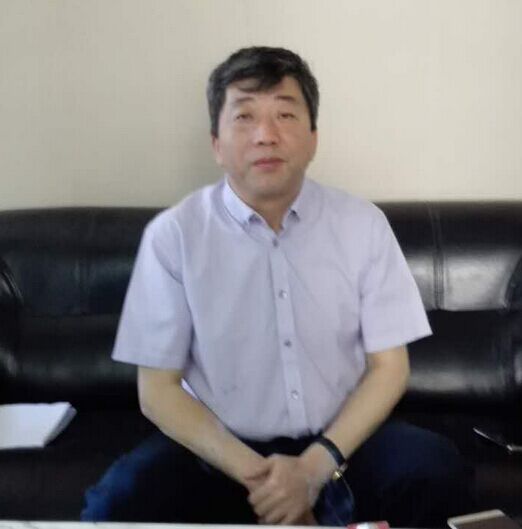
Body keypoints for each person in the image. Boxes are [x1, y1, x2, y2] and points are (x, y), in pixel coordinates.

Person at [81, 46, 470, 526]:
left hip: (343, 444)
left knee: (436, 470)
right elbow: (157, 390)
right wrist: (270, 483)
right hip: (222, 453)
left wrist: (314, 469)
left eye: (285, 114)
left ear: (313, 138)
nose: (266, 135)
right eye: (244, 116)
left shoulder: (362, 225)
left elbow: (390, 368)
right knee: (117, 503)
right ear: (216, 143)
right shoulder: (174, 235)